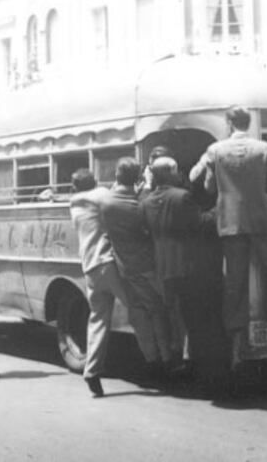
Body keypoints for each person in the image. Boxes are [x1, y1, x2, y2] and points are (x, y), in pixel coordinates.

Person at [201, 106, 267, 364]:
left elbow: (208, 187)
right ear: (248, 123)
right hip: (262, 216)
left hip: (230, 220)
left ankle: (236, 333)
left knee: (235, 280)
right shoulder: (265, 149)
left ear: (229, 123)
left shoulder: (215, 151)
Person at [140, 157, 226, 384]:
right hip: (187, 266)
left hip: (163, 267)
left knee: (173, 312)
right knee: (192, 313)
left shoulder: (146, 202)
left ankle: (178, 356)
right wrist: (219, 209)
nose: (180, 174)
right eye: (177, 170)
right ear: (169, 173)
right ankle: (191, 359)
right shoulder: (182, 197)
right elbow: (202, 223)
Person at [104, 157, 175, 374]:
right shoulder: (140, 202)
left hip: (124, 266)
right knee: (158, 309)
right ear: (136, 177)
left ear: (116, 176)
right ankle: (166, 356)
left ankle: (150, 358)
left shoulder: (107, 202)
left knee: (137, 312)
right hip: (146, 265)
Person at [69, 168, 131, 397]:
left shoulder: (74, 204)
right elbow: (120, 197)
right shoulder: (100, 195)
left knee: (98, 320)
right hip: (108, 264)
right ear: (94, 182)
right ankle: (161, 359)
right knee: (139, 305)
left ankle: (92, 370)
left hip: (90, 268)